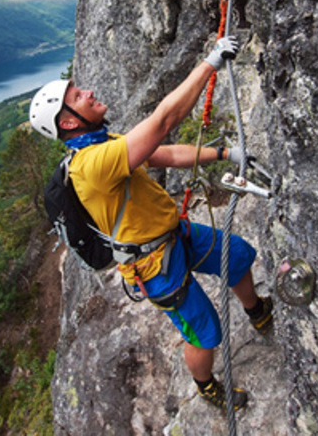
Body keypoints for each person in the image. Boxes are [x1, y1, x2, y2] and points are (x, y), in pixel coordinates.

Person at [29, 36, 273, 411]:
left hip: (176, 235)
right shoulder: (92, 165)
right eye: (79, 96)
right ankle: (206, 386)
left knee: (236, 255)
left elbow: (168, 154)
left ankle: (257, 311)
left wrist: (225, 152)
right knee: (205, 335)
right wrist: (209, 64)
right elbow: (164, 121)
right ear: (67, 121)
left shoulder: (102, 144)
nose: (89, 92)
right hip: (155, 266)